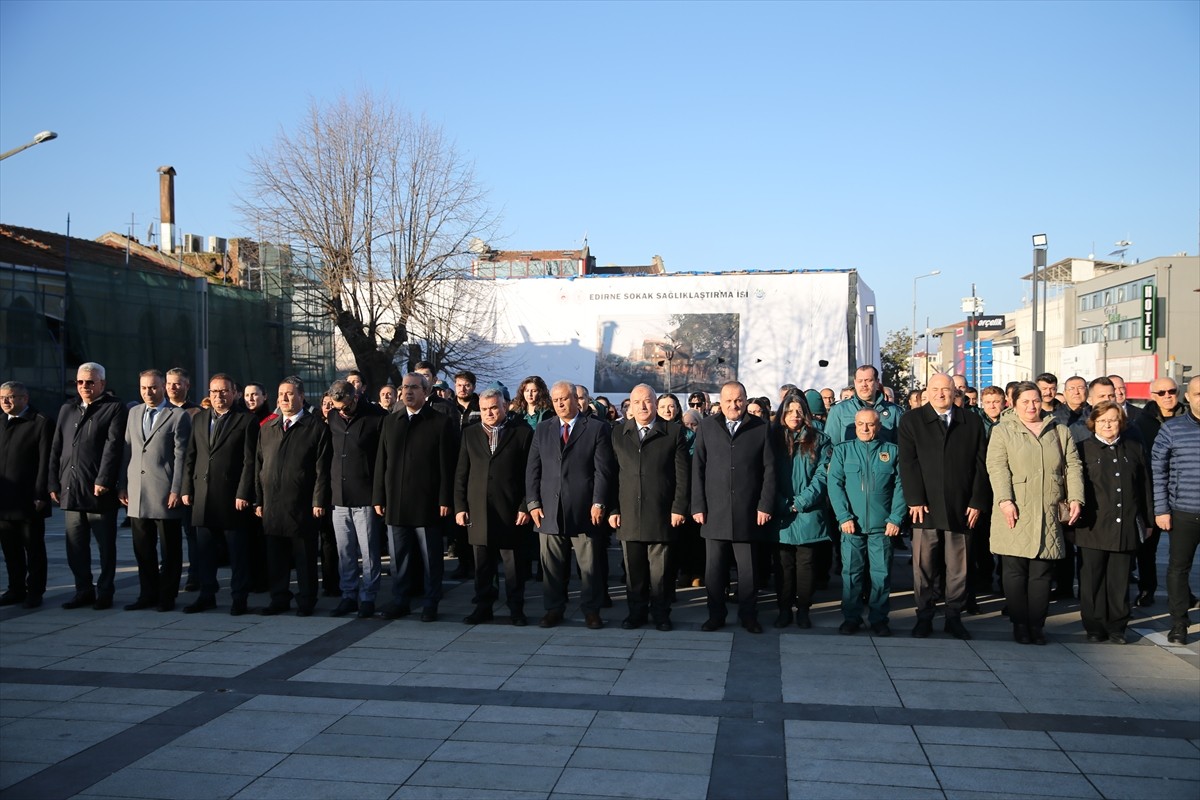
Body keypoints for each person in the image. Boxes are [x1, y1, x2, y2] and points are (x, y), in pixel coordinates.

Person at [987, 381, 1083, 645]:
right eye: (1025, 401)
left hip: (1048, 509)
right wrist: (1006, 500)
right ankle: (1019, 623)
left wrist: (1075, 497)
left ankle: (1037, 625)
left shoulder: (1059, 430)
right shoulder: (1003, 431)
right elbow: (997, 467)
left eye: (1036, 400)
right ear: (1014, 404)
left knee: (1042, 573)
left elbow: (1072, 465)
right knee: (1015, 572)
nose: (1031, 406)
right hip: (1015, 510)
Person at [898, 373, 989, 639]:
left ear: (954, 393)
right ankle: (924, 615)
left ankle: (954, 616)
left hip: (962, 508)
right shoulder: (912, 420)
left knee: (958, 567)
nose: (940, 394)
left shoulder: (971, 421)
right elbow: (908, 463)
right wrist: (915, 498)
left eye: (945, 390)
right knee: (924, 567)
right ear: (927, 392)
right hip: (924, 508)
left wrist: (977, 501)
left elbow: (982, 465)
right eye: (935, 389)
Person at [526, 381, 614, 629]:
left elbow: (603, 471)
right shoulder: (543, 429)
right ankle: (554, 609)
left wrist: (599, 502)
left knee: (590, 566)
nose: (560, 404)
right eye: (555, 400)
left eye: (564, 399)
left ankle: (592, 610)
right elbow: (533, 468)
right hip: (549, 510)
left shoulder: (597, 428)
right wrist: (533, 503)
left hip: (585, 509)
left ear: (576, 399)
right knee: (552, 566)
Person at [691, 381, 775, 633]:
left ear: (746, 400)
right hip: (713, 511)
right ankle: (716, 614)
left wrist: (765, 504)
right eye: (728, 400)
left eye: (738, 400)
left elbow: (769, 469)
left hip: (748, 510)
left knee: (748, 572)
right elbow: (698, 468)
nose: (733, 405)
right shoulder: (707, 426)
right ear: (721, 401)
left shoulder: (761, 428)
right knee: (714, 571)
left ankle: (749, 615)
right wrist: (697, 505)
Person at [373, 373, 457, 622]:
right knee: (399, 558)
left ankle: (431, 602)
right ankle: (401, 600)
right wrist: (379, 496)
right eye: (404, 387)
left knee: (431, 558)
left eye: (413, 387)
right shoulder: (391, 421)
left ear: (426, 391)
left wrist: (445, 499)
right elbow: (381, 462)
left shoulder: (439, 422)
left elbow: (447, 465)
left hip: (427, 502)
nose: (408, 392)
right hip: (396, 502)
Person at [609, 384, 689, 631]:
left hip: (661, 512)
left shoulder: (673, 432)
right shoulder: (619, 433)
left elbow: (682, 476)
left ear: (655, 403)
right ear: (630, 406)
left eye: (647, 401)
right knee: (634, 572)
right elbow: (611, 475)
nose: (642, 406)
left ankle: (661, 614)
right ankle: (636, 613)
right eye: (637, 402)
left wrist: (679, 507)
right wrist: (613, 509)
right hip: (629, 513)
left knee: (661, 573)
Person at [49, 362, 128, 610]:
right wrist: (53, 481)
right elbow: (57, 447)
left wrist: (104, 479)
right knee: (75, 545)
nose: (84, 386)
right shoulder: (67, 408)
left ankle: (105, 591)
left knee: (105, 546)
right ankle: (83, 590)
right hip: (70, 488)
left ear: (102, 384)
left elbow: (113, 446)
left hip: (98, 491)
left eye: (90, 382)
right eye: (80, 382)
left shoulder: (114, 408)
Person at [1074, 402, 1153, 644]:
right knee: (1092, 580)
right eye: (1102, 420)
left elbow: (1145, 487)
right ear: (1093, 423)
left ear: (1121, 423)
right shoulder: (1082, 449)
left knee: (1119, 580)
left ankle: (1117, 626)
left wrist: (1148, 520)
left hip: (1125, 524)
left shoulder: (1134, 448)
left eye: (1113, 420)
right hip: (1092, 526)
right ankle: (1095, 626)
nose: (1108, 424)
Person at [455, 388, 534, 625]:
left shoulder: (522, 433)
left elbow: (530, 474)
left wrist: (525, 505)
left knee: (513, 567)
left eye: (494, 407)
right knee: (482, 565)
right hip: (478, 510)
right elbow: (461, 473)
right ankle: (483, 607)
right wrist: (460, 506)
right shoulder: (469, 434)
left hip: (511, 510)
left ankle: (516, 608)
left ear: (505, 406)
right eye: (485, 408)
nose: (489, 412)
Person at [181, 374, 258, 615]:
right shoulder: (200, 418)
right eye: (214, 392)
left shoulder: (246, 421)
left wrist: (244, 492)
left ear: (235, 393)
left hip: (232, 497)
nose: (218, 396)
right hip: (203, 496)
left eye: (224, 391)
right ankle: (207, 595)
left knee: (237, 552)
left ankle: (239, 597)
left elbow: (250, 461)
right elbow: (191, 456)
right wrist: (186, 488)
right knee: (204, 552)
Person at [255, 378, 332, 617]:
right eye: (280, 394)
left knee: (304, 556)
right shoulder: (268, 427)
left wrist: (318, 501)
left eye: (289, 394)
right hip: (273, 504)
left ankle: (306, 599)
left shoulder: (315, 427)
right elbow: (259, 465)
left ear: (301, 396)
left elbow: (322, 469)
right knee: (276, 556)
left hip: (302, 503)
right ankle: (279, 597)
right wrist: (258, 500)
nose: (284, 399)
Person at [828, 408, 905, 636]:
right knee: (852, 573)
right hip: (852, 525)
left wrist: (896, 517)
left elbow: (902, 487)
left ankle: (879, 618)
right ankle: (851, 617)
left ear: (878, 427)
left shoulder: (892, 452)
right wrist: (844, 516)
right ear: (854, 425)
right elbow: (835, 485)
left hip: (883, 526)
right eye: (860, 424)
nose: (864, 428)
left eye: (870, 424)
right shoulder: (843, 451)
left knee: (881, 574)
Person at [120, 370, 192, 612]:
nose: (147, 392)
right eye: (143, 388)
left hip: (164, 493)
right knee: (142, 549)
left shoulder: (178, 416)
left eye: (152, 387)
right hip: (137, 493)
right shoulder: (133, 413)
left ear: (163, 387)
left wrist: (177, 489)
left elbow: (182, 456)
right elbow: (128, 450)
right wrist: (123, 484)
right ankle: (147, 594)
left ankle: (167, 596)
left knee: (170, 550)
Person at [327, 379, 387, 619]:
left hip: (366, 494)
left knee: (369, 551)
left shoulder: (376, 416)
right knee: (345, 551)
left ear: (355, 397)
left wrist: (379, 495)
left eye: (345, 406)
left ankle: (368, 597)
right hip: (339, 494)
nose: (342, 410)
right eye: (337, 406)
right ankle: (348, 594)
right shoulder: (332, 416)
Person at [772, 392, 832, 629]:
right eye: (789, 411)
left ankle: (804, 609)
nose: (794, 416)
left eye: (799, 411)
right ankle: (784, 609)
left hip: (808, 512)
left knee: (806, 565)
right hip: (781, 513)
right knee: (782, 564)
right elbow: (767, 474)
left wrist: (801, 502)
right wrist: (781, 503)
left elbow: (822, 474)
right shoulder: (773, 439)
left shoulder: (820, 439)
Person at [1152, 376, 1200, 644]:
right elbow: (1158, 470)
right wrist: (1161, 509)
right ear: (1189, 397)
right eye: (1198, 393)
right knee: (1178, 568)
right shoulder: (1172, 429)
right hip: (1183, 510)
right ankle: (1179, 623)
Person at [1131, 377, 1186, 606]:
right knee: (1147, 549)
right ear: (1152, 395)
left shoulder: (1190, 419)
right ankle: (1147, 589)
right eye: (1161, 392)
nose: (1167, 396)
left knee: (1182, 552)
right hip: (1152, 493)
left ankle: (1184, 593)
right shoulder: (1140, 422)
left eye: (1171, 391)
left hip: (1184, 495)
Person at [0, 381, 53, 608]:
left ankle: (35, 591)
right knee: (10, 548)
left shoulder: (40, 422)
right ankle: (15, 588)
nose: (5, 401)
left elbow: (45, 461)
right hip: (3, 499)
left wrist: (41, 493)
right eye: (2, 397)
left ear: (25, 398)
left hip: (29, 498)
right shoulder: (1, 421)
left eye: (10, 397)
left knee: (33, 548)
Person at [825, 365, 902, 445]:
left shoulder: (894, 412)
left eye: (868, 380)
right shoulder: (839, 410)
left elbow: (900, 447)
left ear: (877, 382)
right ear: (855, 383)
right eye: (860, 381)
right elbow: (830, 446)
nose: (864, 384)